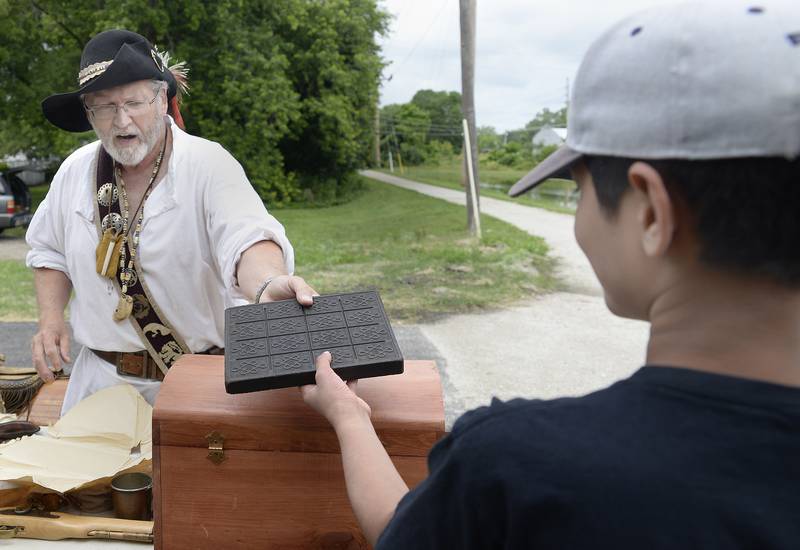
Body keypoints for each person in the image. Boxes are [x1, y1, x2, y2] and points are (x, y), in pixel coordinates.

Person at [301, 1, 800, 547]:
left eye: (581, 188)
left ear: (652, 212)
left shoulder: (517, 471)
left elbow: (400, 533)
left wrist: (349, 416)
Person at [27, 29, 315, 415]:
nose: (122, 119)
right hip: (99, 390)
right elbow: (49, 250)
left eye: (134, 101)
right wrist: (50, 319)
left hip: (197, 387)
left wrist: (267, 284)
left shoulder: (209, 164)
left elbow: (247, 239)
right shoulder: (73, 171)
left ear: (162, 98)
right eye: (105, 107)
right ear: (88, 113)